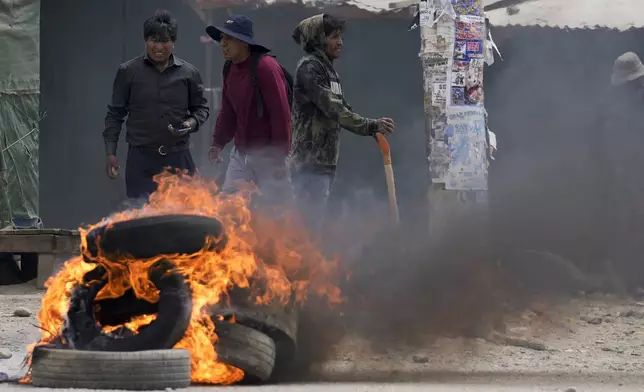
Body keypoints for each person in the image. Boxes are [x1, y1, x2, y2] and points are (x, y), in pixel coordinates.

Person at [289, 14, 395, 232]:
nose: (340, 43)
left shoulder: (329, 71)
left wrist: (371, 129)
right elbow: (333, 108)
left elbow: (344, 107)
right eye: (334, 37)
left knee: (314, 227)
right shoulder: (309, 68)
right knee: (306, 231)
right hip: (309, 165)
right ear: (318, 38)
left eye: (340, 37)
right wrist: (369, 125)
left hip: (325, 163)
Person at [103, 10, 209, 200]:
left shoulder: (189, 73)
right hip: (141, 160)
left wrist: (189, 124)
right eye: (153, 40)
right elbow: (115, 114)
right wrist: (111, 153)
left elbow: (201, 109)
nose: (158, 46)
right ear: (145, 40)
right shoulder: (128, 72)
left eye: (164, 40)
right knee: (141, 218)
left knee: (183, 218)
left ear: (173, 42)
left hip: (179, 158)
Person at [206, 15, 292, 207]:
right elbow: (228, 111)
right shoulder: (229, 68)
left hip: (269, 156)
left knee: (276, 213)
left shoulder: (266, 68)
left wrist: (280, 156)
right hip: (241, 154)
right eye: (222, 39)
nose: (223, 44)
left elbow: (281, 114)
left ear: (244, 43)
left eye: (229, 39)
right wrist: (217, 143)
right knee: (228, 207)